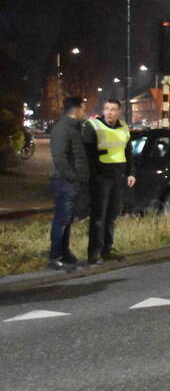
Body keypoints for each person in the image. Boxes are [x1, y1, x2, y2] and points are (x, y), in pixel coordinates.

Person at [82, 98, 136, 264]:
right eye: (107, 109)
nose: (109, 112)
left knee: (112, 215)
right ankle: (94, 253)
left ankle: (107, 249)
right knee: (99, 216)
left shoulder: (124, 128)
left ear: (119, 111)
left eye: (113, 109)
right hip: (101, 177)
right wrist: (93, 174)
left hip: (117, 176)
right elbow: (88, 154)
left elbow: (128, 152)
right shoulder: (93, 126)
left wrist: (130, 173)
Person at [47, 96, 89, 270]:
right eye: (83, 108)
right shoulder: (63, 129)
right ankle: (55, 256)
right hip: (65, 182)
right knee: (61, 220)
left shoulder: (73, 128)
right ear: (78, 109)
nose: (84, 111)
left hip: (71, 182)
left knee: (67, 219)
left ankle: (65, 253)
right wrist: (73, 176)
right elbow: (60, 158)